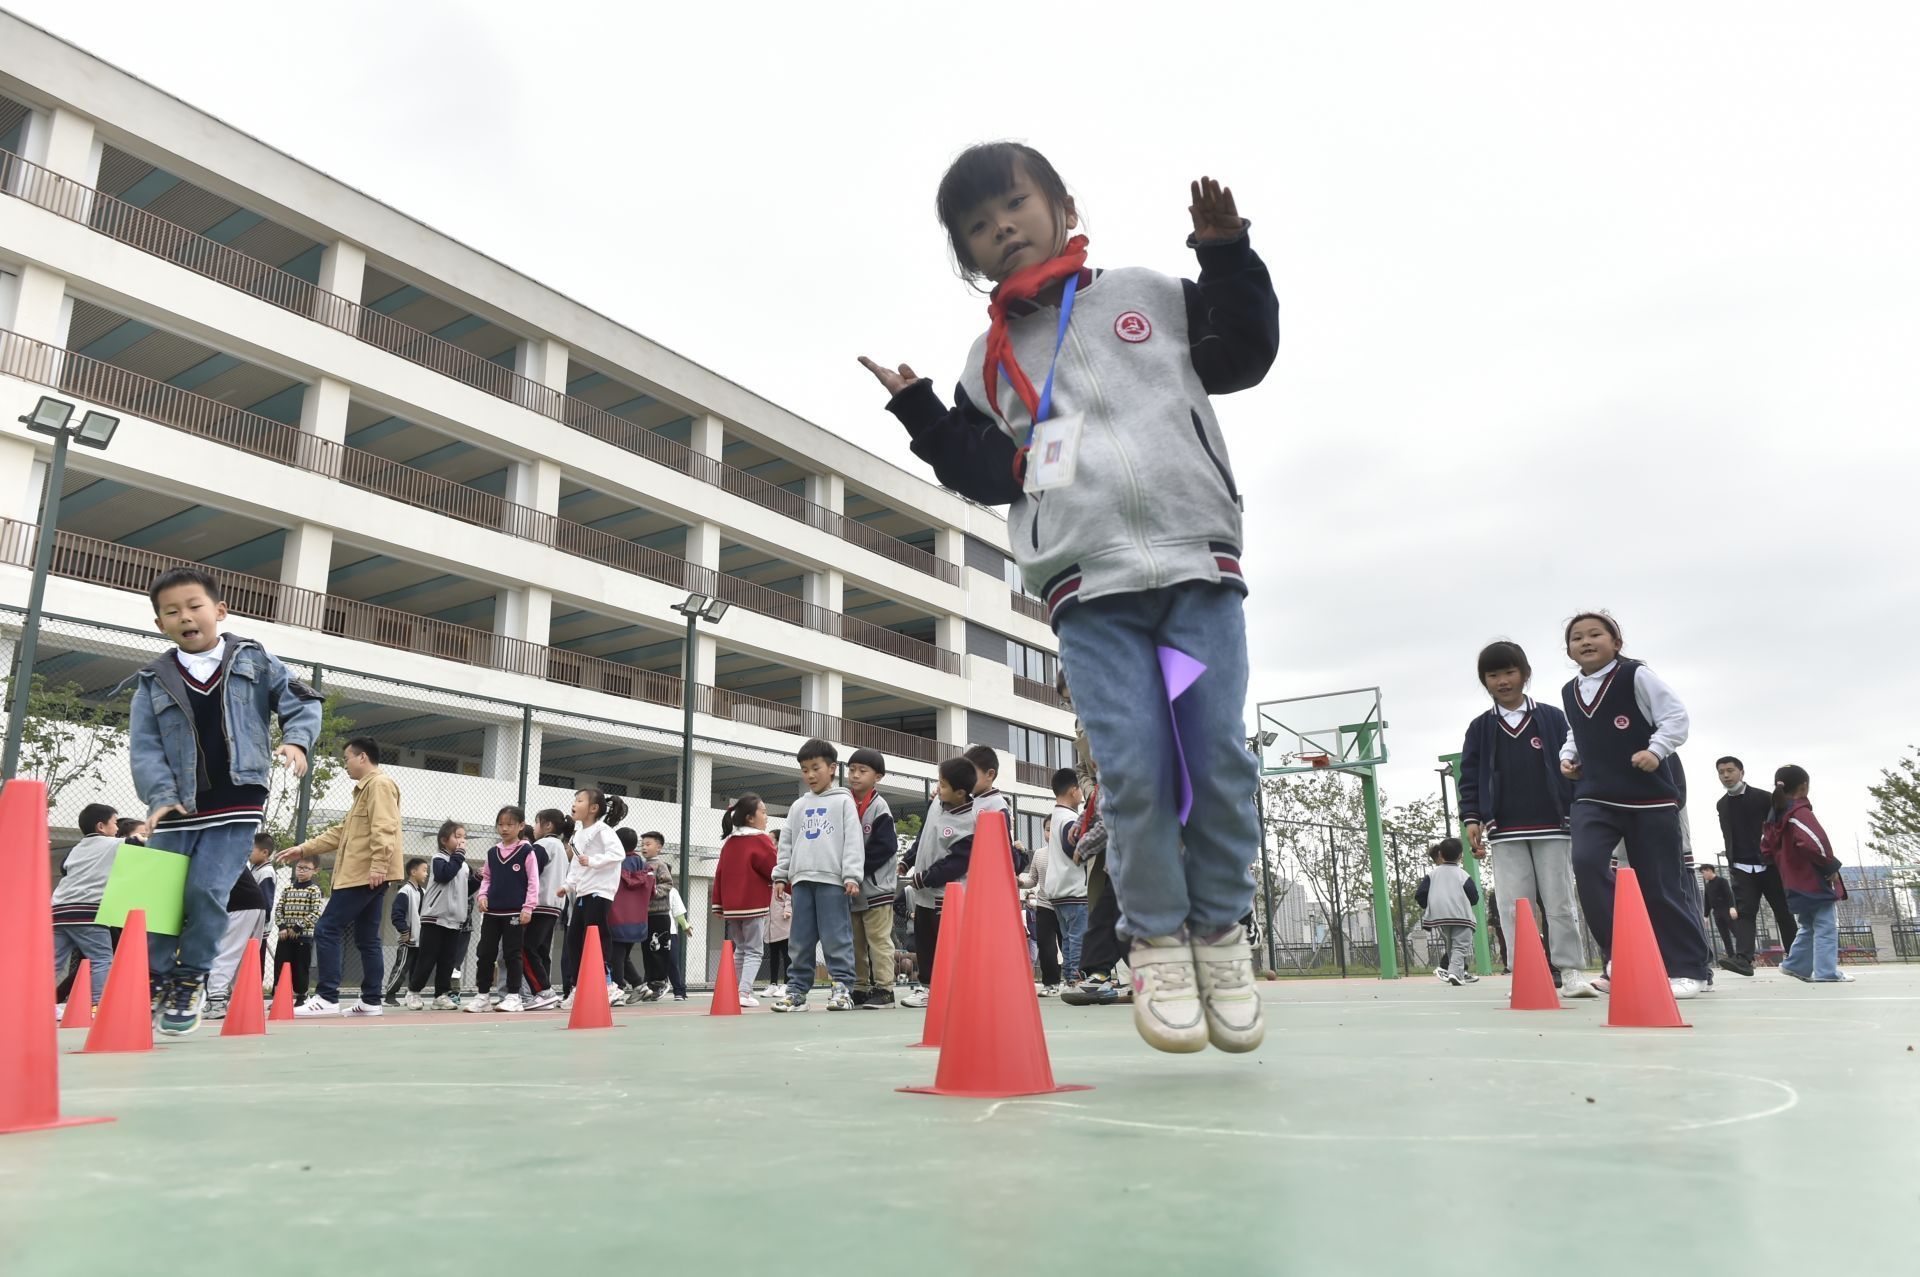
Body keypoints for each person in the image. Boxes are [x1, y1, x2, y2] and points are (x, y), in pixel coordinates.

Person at [860, 149, 1275, 1054]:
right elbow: (987, 471)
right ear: (968, 255)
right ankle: (1158, 942)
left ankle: (1219, 930)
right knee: (1133, 772)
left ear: (1060, 205)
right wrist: (927, 413)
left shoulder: (1151, 293)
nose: (1002, 226)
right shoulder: (989, 359)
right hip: (1091, 593)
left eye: (1015, 204)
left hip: (1195, 572)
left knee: (1213, 757)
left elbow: (1242, 358)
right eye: (979, 224)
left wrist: (1227, 253)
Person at [129, 566, 321, 1035]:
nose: (185, 617)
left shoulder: (253, 659)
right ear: (160, 624)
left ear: (219, 611)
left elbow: (301, 699)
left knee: (206, 890)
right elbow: (146, 747)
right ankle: (151, 978)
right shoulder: (152, 680)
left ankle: (191, 977)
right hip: (175, 808)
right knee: (154, 896)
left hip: (236, 800)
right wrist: (158, 796)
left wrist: (296, 740)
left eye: (194, 606)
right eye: (172, 612)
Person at [1559, 612, 1714, 999]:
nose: (1586, 641)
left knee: (1660, 884)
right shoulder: (1569, 691)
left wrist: (1656, 750)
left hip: (1649, 798)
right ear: (1569, 650)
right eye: (1577, 637)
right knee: (1587, 864)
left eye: (1596, 634)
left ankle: (1689, 968)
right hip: (1593, 796)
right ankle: (1622, 958)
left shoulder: (1636, 676)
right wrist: (1568, 756)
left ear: (1616, 642)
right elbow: (1575, 732)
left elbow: (1675, 717)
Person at [1457, 641, 1595, 997]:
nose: (1502, 681)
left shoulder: (1551, 717)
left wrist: (1575, 803)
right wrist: (1472, 817)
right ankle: (1525, 974)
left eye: (1509, 672)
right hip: (1504, 829)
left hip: (1553, 823)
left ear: (1524, 674)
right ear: (1484, 681)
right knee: (1513, 905)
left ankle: (1570, 971)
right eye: (1493, 675)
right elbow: (1469, 776)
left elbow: (1574, 759)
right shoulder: (1480, 728)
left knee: (1560, 901)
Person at [280, 738, 403, 1017]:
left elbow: (385, 827)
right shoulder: (364, 791)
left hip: (363, 874)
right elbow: (340, 833)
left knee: (327, 928)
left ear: (362, 758)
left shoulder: (379, 785)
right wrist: (303, 848)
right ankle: (371, 1000)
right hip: (367, 873)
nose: (344, 763)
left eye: (346, 758)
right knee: (367, 938)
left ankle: (326, 997)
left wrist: (378, 866)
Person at [769, 738, 862, 1012]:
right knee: (799, 939)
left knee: (837, 937)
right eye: (804, 769)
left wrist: (852, 875)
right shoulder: (798, 806)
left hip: (833, 881)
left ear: (832, 768)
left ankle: (843, 988)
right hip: (801, 881)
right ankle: (797, 991)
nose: (809, 774)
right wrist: (780, 875)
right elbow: (786, 841)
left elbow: (853, 840)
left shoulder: (844, 803)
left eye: (815, 767)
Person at [1761, 765, 1853, 984]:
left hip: (1792, 881)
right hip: (1812, 878)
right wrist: (1830, 866)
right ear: (1804, 786)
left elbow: (1765, 848)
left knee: (1808, 925)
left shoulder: (1775, 815)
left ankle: (1795, 966)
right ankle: (1826, 972)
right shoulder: (1799, 812)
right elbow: (1815, 842)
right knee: (1825, 926)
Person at [1715, 756, 1796, 974]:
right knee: (1745, 914)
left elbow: (1786, 818)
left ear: (1741, 772)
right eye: (1721, 772)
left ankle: (1797, 957)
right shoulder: (1721, 805)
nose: (1726, 775)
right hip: (1742, 869)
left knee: (1783, 912)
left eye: (1730, 770)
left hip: (1770, 865)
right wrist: (1732, 861)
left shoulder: (1763, 797)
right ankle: (1744, 960)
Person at [464, 806, 537, 1013]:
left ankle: (514, 996)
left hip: (515, 911)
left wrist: (528, 907)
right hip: (492, 912)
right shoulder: (492, 852)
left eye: (510, 824)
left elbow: (533, 881)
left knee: (512, 954)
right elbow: (487, 878)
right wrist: (483, 896)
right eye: (501, 824)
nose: (504, 828)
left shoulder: (526, 851)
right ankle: (483, 996)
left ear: (521, 826)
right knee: (485, 953)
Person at [51, 803, 121, 1015]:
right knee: (101, 958)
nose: (117, 828)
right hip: (89, 911)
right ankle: (98, 1005)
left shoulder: (76, 849)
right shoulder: (114, 844)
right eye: (115, 823)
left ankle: (32, 1002)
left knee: (52, 962)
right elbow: (142, 843)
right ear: (101, 826)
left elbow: (64, 869)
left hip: (59, 910)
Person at [560, 788, 626, 1010]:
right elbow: (577, 865)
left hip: (601, 890)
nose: (575, 804)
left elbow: (618, 854)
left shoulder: (602, 830)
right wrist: (568, 885)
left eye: (580, 800)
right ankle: (580, 987)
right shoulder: (578, 835)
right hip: (583, 892)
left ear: (594, 808)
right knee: (573, 939)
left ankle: (608, 986)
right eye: (575, 800)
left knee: (596, 935)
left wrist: (595, 860)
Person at [712, 793, 777, 1007]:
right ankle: (745, 992)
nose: (766, 816)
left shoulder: (730, 842)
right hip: (754, 905)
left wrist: (719, 904)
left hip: (732, 908)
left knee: (740, 949)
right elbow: (773, 870)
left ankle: (731, 990)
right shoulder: (760, 840)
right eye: (764, 811)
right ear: (751, 817)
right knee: (754, 950)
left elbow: (719, 873)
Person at [845, 748, 899, 1008]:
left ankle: (885, 989)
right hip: (851, 886)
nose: (855, 775)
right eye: (852, 769)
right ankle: (860, 986)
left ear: (878, 776)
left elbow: (886, 847)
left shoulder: (880, 807)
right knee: (855, 940)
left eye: (862, 771)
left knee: (878, 940)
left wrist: (855, 868)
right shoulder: (844, 802)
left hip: (876, 887)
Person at [407, 821, 470, 1009]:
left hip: (454, 919)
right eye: (457, 837)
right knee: (427, 957)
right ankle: (413, 991)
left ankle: (441, 995)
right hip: (434, 917)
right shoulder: (439, 858)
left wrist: (477, 878)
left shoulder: (463, 865)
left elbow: (466, 889)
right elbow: (444, 875)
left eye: (463, 837)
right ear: (444, 840)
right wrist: (458, 856)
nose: (462, 841)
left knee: (447, 960)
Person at [203, 848, 272, 1020]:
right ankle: (243, 1002)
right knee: (245, 958)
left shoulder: (208, 850)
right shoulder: (223, 847)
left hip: (240, 904)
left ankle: (216, 1001)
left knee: (226, 953)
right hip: (254, 903)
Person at [522, 809, 571, 1009]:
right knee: (541, 951)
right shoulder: (560, 846)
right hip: (554, 906)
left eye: (536, 823)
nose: (534, 828)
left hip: (539, 904)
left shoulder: (542, 845)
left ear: (547, 825)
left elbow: (530, 873)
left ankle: (543, 991)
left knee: (526, 948)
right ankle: (546, 991)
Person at [1417, 838, 1482, 986]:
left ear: (1441, 854)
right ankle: (1455, 973)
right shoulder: (1462, 874)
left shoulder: (1432, 875)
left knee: (1451, 945)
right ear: (1460, 855)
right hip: (1461, 915)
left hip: (1440, 916)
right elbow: (1474, 896)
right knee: (1461, 945)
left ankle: (1458, 971)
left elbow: (1420, 894)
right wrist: (1466, 903)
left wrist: (1431, 904)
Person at [607, 827, 655, 1001]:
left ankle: (617, 990)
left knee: (615, 958)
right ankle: (639, 985)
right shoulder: (645, 867)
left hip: (616, 918)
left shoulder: (615, 865)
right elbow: (652, 892)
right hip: (638, 921)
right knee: (622, 956)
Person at [639, 831, 686, 1002]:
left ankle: (660, 982)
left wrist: (654, 892)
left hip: (659, 914)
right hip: (645, 915)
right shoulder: (641, 864)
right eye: (642, 844)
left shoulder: (660, 865)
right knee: (647, 950)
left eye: (648, 844)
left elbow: (667, 884)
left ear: (659, 847)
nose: (644, 847)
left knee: (658, 950)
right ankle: (650, 984)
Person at [273, 857, 324, 1000]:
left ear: (315, 871)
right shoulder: (288, 889)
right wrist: (282, 926)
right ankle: (280, 997)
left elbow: (316, 912)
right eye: (299, 867)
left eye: (306, 868)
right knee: (281, 967)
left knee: (300, 968)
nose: (301, 871)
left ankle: (301, 997)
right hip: (285, 936)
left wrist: (297, 927)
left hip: (303, 936)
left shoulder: (314, 890)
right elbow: (278, 909)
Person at [382, 857, 428, 1005]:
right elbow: (396, 915)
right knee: (401, 968)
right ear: (413, 872)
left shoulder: (423, 891)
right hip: (408, 939)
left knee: (417, 970)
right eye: (424, 870)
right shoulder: (405, 891)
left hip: (420, 939)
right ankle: (390, 996)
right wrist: (405, 931)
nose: (426, 874)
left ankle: (412, 995)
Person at [1699, 865, 1738, 959]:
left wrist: (1732, 907)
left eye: (1703, 873)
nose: (1703, 875)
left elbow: (1729, 894)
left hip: (1727, 911)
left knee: (1737, 933)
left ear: (1709, 871)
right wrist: (1705, 916)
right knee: (1725, 937)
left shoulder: (1722, 881)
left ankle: (1746, 957)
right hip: (1717, 913)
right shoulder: (1707, 886)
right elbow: (1707, 901)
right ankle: (1731, 958)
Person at [764, 877, 792, 992]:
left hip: (784, 926)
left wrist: (787, 911)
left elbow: (788, 898)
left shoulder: (781, 883)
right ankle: (773, 984)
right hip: (771, 929)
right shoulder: (765, 886)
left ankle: (787, 983)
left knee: (787, 955)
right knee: (773, 957)